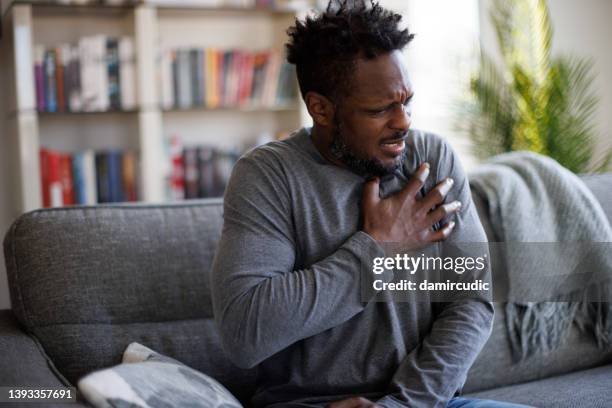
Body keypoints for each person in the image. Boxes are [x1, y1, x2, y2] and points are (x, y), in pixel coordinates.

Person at [211, 1, 531, 407]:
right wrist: (377, 251)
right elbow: (244, 333)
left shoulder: (431, 158)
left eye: (406, 101)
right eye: (380, 109)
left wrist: (401, 404)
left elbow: (471, 301)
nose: (403, 122)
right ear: (321, 108)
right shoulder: (268, 176)